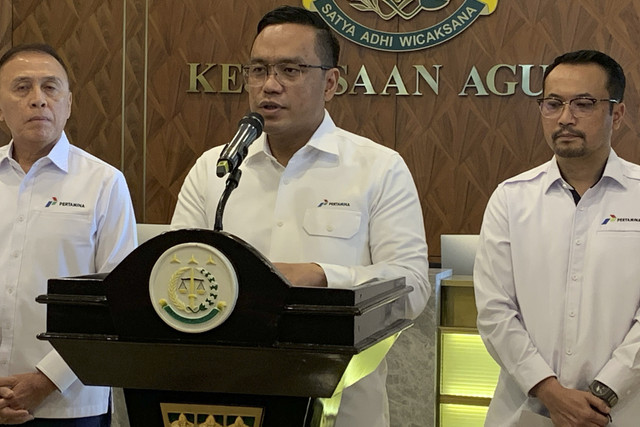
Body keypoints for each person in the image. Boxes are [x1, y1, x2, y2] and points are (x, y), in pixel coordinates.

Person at [171, 6, 430, 427]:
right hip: (229, 405)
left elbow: (413, 288)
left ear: (330, 83)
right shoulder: (213, 170)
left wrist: (319, 276)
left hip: (342, 408)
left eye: (290, 70)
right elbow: (173, 277)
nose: (269, 86)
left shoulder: (378, 168)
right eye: (258, 70)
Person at [474, 49, 640, 426]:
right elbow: (495, 311)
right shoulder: (511, 198)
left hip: (622, 412)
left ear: (617, 113)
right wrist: (551, 392)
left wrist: (600, 396)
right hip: (526, 411)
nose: (566, 118)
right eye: (553, 103)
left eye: (584, 103)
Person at [0, 44, 137, 425]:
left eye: (50, 88)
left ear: (69, 103)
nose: (38, 100)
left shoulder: (104, 183)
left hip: (70, 403)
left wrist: (44, 381)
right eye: (22, 87)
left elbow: (117, 296)